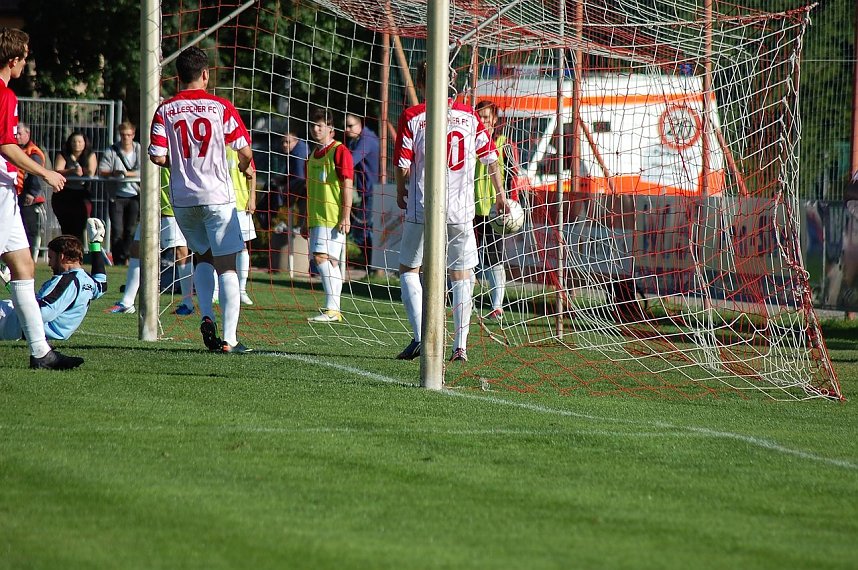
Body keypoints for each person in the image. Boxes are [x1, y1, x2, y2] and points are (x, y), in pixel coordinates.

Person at [393, 62, 506, 362]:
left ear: (421, 84)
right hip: (460, 209)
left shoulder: (413, 116)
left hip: (423, 205)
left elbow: (402, 165)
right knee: (461, 273)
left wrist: (400, 191)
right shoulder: (469, 115)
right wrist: (501, 195)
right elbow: (491, 158)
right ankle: (460, 345)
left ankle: (422, 338)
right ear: (451, 81)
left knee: (409, 269)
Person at [149, 45, 254, 354]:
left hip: (183, 200)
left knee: (202, 257)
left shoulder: (165, 109)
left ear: (178, 76)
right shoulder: (220, 106)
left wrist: (182, 164)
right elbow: (245, 150)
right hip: (217, 197)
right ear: (205, 74)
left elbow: (157, 155)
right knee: (228, 265)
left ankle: (207, 314)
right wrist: (244, 166)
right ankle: (230, 339)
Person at [0, 26, 82, 369]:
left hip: (6, 190)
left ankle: (41, 353)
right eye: (24, 58)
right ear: (13, 59)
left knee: (23, 265)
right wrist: (45, 172)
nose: (25, 64)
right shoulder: (5, 94)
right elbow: (6, 145)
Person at [109, 167, 194, 315]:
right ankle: (127, 302)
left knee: (180, 252)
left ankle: (188, 303)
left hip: (170, 208)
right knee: (137, 249)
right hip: (150, 208)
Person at [0, 228, 107, 342]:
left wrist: (14, 285)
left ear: (61, 257)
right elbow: (102, 284)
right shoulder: (87, 280)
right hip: (47, 331)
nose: (49, 263)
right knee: (8, 304)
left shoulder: (66, 281)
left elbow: (42, 312)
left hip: (20, 328)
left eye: (51, 257)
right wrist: (95, 244)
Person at [474, 100, 521, 321]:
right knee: (466, 257)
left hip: (496, 210)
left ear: (494, 119)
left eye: (486, 117)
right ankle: (462, 302)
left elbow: (513, 175)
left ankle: (497, 305)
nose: (482, 121)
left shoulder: (504, 144)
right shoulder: (470, 141)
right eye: (479, 117)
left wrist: (512, 202)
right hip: (471, 207)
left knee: (494, 256)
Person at [305, 108, 353, 323]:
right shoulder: (312, 155)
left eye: (320, 125)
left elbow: (347, 184)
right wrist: (305, 219)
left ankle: (333, 308)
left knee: (321, 258)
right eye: (313, 125)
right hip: (317, 217)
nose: (315, 129)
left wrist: (346, 215)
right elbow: (309, 190)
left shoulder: (340, 151)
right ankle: (333, 309)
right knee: (329, 261)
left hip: (333, 216)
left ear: (331, 128)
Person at [99, 120, 141, 266]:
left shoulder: (139, 149)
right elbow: (102, 170)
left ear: (133, 135)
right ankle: (118, 261)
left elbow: (145, 170)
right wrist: (114, 173)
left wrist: (126, 174)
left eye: (128, 135)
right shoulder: (111, 151)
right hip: (116, 196)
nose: (126, 138)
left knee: (131, 230)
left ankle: (128, 257)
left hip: (135, 195)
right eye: (123, 135)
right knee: (117, 230)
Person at [344, 113, 379, 271]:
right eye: (345, 126)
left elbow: (350, 161)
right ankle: (372, 266)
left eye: (350, 126)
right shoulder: (356, 140)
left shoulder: (366, 140)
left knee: (362, 231)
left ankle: (373, 266)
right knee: (363, 230)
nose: (347, 129)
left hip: (373, 192)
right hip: (366, 192)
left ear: (360, 125)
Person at [52, 131, 97, 240]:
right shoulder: (63, 154)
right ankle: (66, 248)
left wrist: (82, 171)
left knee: (79, 228)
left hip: (81, 195)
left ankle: (77, 248)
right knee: (66, 228)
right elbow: (58, 170)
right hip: (64, 194)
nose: (77, 144)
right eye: (74, 141)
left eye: (80, 142)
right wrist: (72, 171)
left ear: (85, 143)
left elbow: (91, 172)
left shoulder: (90, 154)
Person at [15, 121, 47, 260]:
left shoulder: (33, 152)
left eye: (19, 133)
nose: (17, 136)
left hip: (28, 197)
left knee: (29, 229)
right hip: (16, 194)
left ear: (28, 133)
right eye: (15, 133)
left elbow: (35, 173)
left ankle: (29, 258)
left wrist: (32, 193)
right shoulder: (17, 150)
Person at [228, 146, 256, 305]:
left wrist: (252, 198)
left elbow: (252, 173)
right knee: (214, 247)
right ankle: (216, 291)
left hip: (240, 204)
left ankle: (241, 290)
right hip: (219, 204)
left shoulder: (241, 147)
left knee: (242, 246)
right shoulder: (213, 144)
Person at [267, 129, 309, 234]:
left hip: (304, 187)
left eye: (288, 142)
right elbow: (291, 174)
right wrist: (282, 179)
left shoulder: (299, 153)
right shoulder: (293, 152)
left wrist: (283, 189)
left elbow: (300, 178)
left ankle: (279, 222)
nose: (285, 145)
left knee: (276, 191)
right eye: (283, 142)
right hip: (301, 187)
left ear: (296, 141)